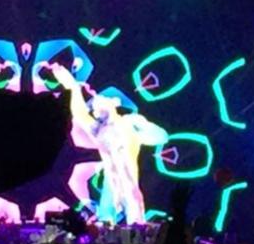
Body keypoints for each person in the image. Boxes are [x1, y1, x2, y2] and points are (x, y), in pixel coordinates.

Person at [46, 62, 167, 224]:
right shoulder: (99, 130)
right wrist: (72, 86)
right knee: (105, 217)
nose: (96, 109)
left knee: (135, 217)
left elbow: (162, 137)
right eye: (94, 109)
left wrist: (141, 127)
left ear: (113, 103)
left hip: (129, 181)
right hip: (111, 183)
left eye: (99, 102)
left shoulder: (129, 124)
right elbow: (80, 113)